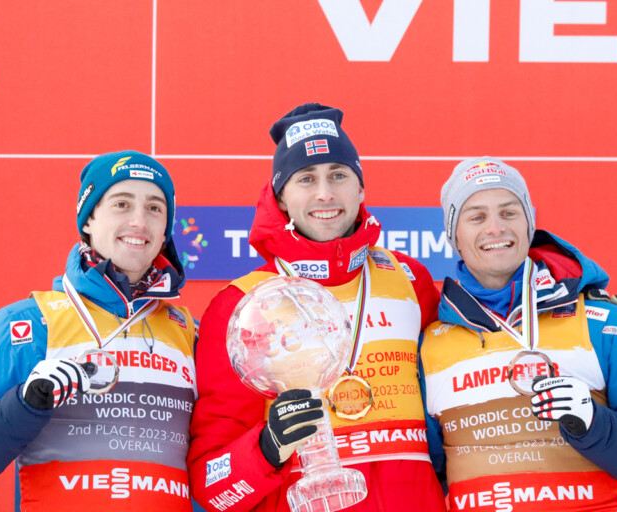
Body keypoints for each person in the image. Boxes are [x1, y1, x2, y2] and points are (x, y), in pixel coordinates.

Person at [187, 103, 446, 512]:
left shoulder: (409, 278)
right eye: (306, 179)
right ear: (281, 198)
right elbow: (212, 489)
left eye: (338, 176)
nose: (325, 193)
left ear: (360, 189)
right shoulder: (242, 304)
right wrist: (268, 447)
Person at [0, 150, 197, 511]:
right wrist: (26, 403)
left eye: (154, 208)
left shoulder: (191, 333)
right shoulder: (30, 322)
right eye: (121, 204)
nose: (139, 221)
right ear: (88, 220)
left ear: (165, 229)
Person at [420, 157, 617, 511]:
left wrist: (591, 422)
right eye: (476, 216)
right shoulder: (430, 342)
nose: (495, 228)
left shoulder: (602, 321)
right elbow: (422, 476)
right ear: (454, 237)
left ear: (529, 223)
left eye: (509, 212)